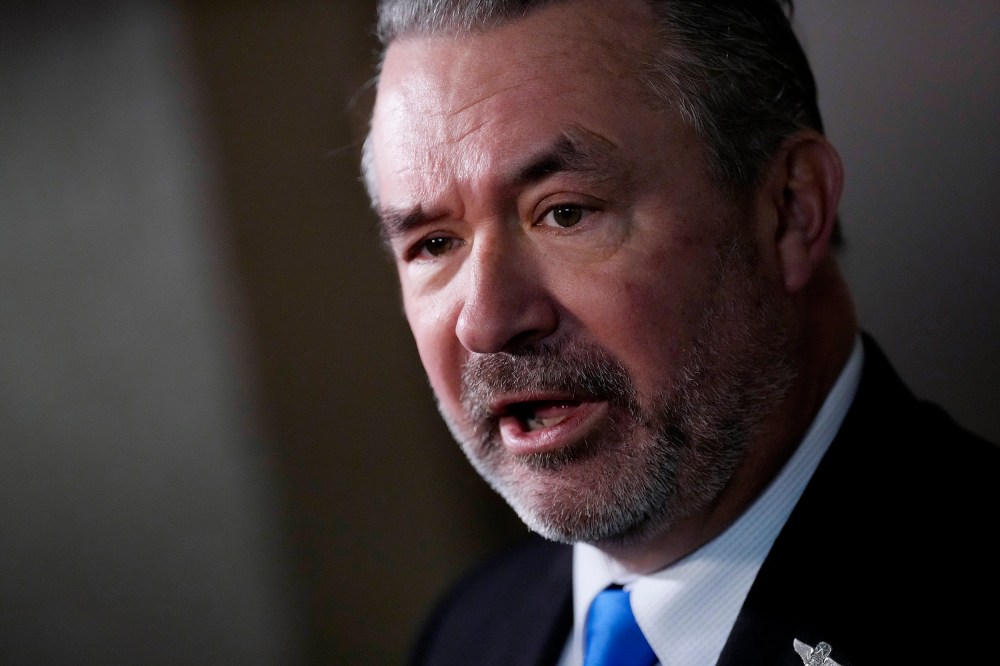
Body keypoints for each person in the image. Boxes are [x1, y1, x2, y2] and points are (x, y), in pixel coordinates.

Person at [360, 0, 999, 664]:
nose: (488, 322)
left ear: (790, 211)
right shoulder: (465, 634)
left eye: (566, 213)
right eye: (434, 243)